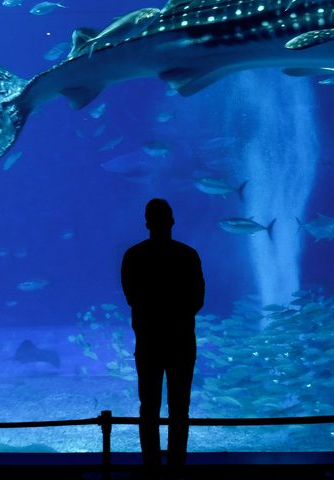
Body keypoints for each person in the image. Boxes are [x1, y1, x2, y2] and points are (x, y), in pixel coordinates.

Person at [121, 198, 205, 472]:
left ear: (146, 223)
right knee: (180, 408)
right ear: (172, 221)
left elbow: (132, 297)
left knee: (149, 407)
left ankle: (152, 468)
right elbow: (198, 300)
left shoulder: (133, 256)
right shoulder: (188, 255)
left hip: (148, 342)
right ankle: (177, 467)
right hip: (181, 340)